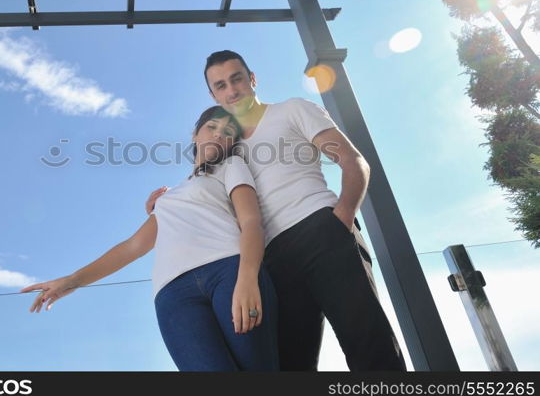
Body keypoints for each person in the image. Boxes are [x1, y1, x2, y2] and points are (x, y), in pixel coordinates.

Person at [146, 50, 406, 371]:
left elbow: (354, 163)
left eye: (237, 78)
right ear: (213, 94)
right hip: (270, 260)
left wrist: (342, 219)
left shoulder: (293, 110)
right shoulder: (228, 149)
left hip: (323, 231)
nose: (232, 90)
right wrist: (167, 198)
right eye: (221, 85)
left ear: (252, 79)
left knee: (369, 345)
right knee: (290, 365)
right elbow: (204, 191)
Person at [21, 105, 279, 371]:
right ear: (195, 134)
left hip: (227, 273)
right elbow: (132, 246)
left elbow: (251, 222)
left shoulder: (232, 165)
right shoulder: (167, 198)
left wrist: (247, 278)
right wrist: (72, 280)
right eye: (211, 127)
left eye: (226, 133)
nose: (217, 135)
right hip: (173, 295)